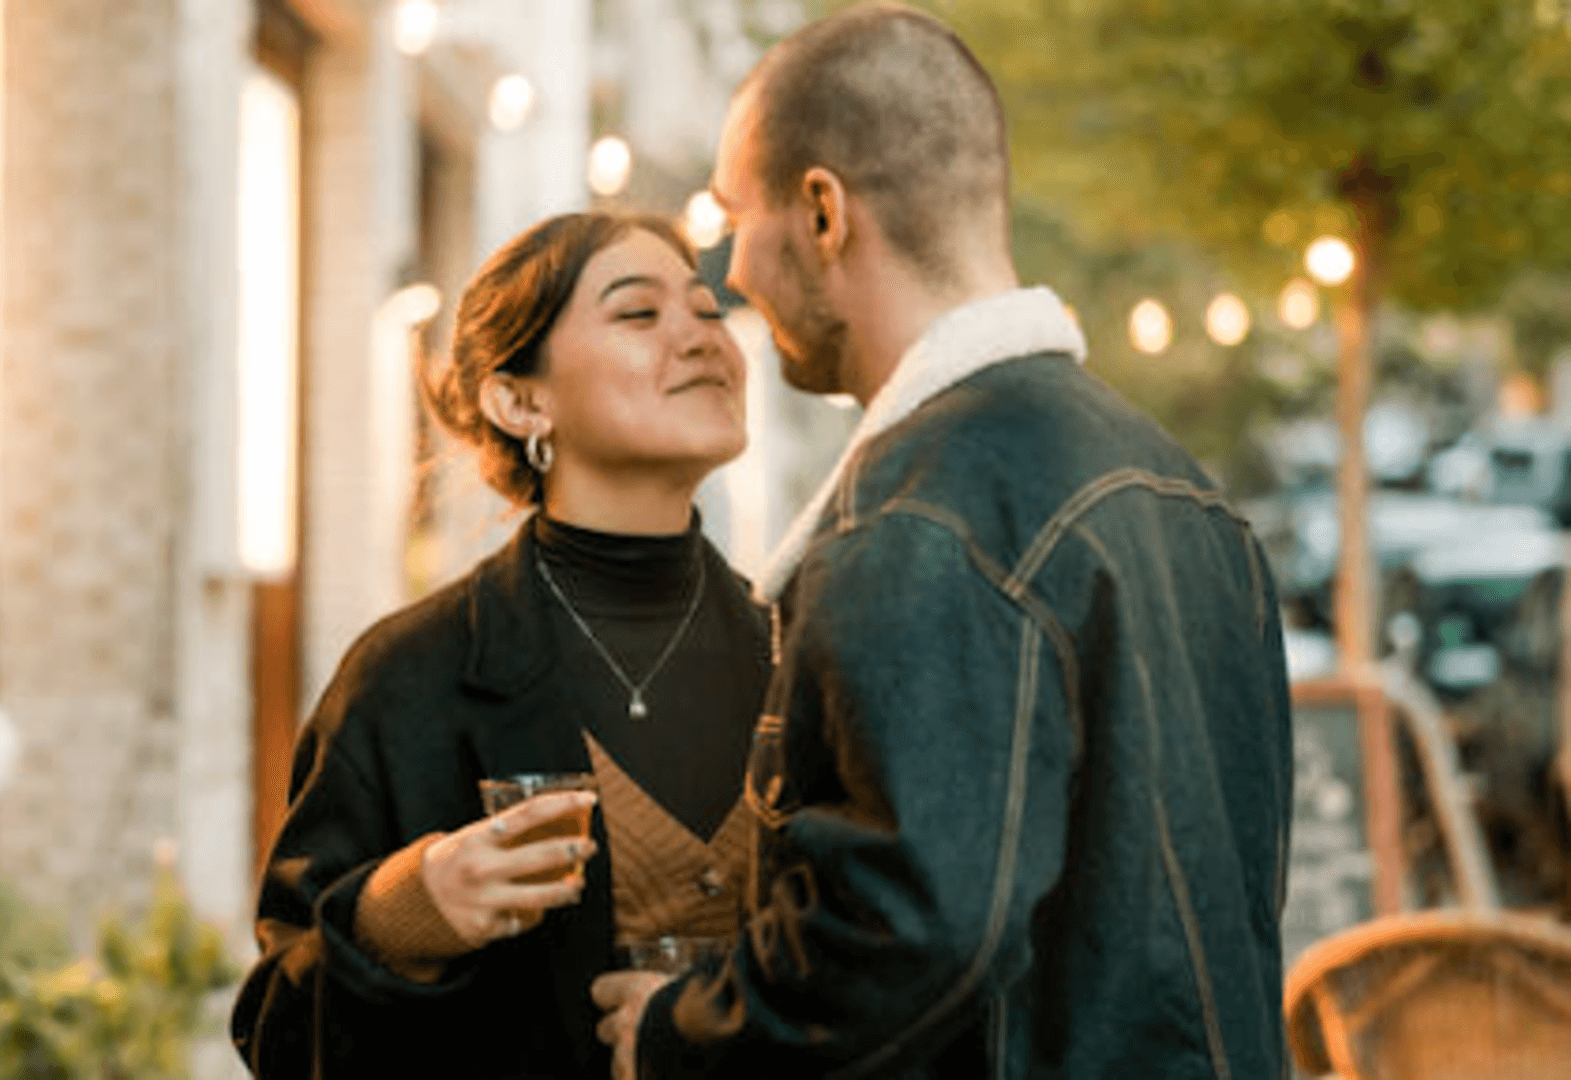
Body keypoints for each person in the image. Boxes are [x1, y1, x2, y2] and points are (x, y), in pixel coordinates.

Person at [592, 6, 1294, 1078]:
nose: (731, 274)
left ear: (823, 212)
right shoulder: (1186, 492)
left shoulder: (918, 519)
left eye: (739, 221)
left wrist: (675, 1030)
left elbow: (910, 928)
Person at [230, 212, 773, 1079]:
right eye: (639, 314)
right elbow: (277, 1036)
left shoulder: (801, 656)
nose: (701, 338)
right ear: (521, 401)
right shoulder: (407, 678)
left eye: (708, 311)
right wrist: (400, 918)